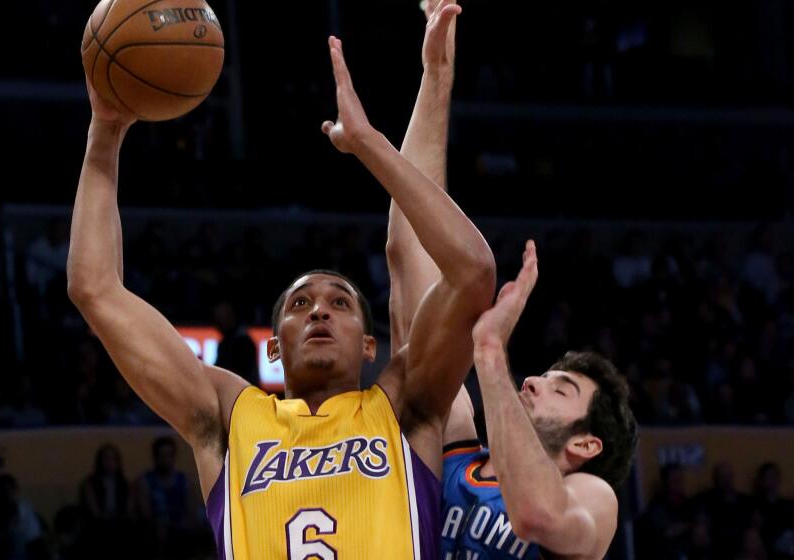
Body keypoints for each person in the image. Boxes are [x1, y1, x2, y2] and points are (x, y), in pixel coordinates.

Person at [67, 2, 494, 557]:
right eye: (299, 304)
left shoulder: (405, 403)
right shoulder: (228, 413)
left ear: (371, 346)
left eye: (340, 303)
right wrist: (106, 127)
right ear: (272, 346)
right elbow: (93, 288)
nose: (318, 310)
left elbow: (471, 271)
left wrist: (371, 144)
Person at [385, 3, 638, 558]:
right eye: (546, 376)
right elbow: (411, 254)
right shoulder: (454, 450)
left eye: (559, 389)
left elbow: (536, 515)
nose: (533, 382)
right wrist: (436, 77)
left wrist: (490, 352)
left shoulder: (591, 495)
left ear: (586, 443)